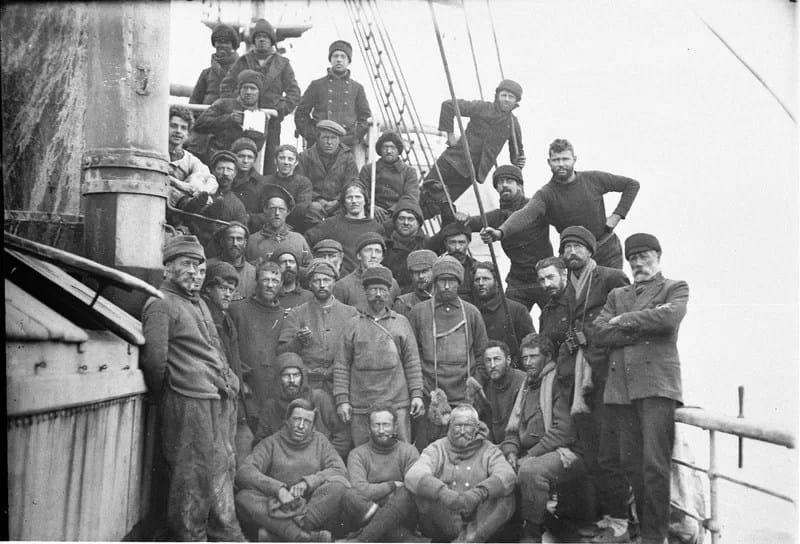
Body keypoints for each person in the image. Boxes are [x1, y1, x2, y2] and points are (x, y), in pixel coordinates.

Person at [140, 235, 244, 540]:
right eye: (186, 264)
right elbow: (155, 361)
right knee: (191, 476)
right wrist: (170, 395)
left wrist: (230, 381)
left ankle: (227, 534)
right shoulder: (161, 304)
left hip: (215, 397)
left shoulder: (195, 303)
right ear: (168, 268)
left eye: (199, 266)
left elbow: (214, 348)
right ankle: (191, 537)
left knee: (221, 469)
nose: (194, 272)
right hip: (188, 400)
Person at [592, 233, 689, 544]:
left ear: (658, 256)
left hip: (656, 387)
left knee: (655, 465)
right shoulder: (617, 295)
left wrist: (625, 320)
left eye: (644, 256)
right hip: (621, 391)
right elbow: (599, 334)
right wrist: (639, 327)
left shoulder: (674, 287)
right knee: (631, 465)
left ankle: (654, 536)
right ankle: (645, 530)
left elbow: (669, 318)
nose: (637, 263)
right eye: (632, 258)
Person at [552, 226, 632, 538]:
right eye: (566, 247)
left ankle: (621, 518)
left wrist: (592, 336)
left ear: (590, 250)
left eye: (577, 246)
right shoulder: (567, 285)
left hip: (606, 375)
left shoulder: (611, 278)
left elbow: (625, 322)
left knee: (610, 451)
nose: (571, 252)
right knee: (592, 448)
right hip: (579, 379)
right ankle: (607, 513)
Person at [235, 398, 378, 542]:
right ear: (287, 420)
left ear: (313, 426)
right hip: (280, 506)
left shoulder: (320, 441)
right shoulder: (271, 443)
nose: (301, 426)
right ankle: (308, 537)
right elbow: (245, 471)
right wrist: (279, 490)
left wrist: (308, 483)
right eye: (297, 419)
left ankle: (282, 535)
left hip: (313, 508)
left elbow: (339, 470)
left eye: (307, 422)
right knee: (243, 497)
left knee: (338, 485)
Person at [485, 139, 640, 269]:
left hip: (606, 249)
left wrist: (617, 216)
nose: (561, 164)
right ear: (549, 162)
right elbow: (526, 213)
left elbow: (631, 185)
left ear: (574, 159)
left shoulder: (593, 179)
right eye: (556, 160)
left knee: (614, 297)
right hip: (574, 255)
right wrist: (500, 232)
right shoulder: (546, 194)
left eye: (565, 159)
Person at [501, 333, 585, 543]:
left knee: (531, 471)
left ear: (547, 357)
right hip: (529, 450)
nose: (528, 362)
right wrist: (511, 451)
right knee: (492, 459)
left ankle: (532, 534)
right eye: (525, 357)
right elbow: (512, 429)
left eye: (533, 357)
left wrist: (530, 455)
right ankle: (508, 526)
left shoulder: (559, 381)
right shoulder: (526, 385)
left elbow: (563, 431)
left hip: (565, 452)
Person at [333, 265, 424, 446]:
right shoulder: (352, 325)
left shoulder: (401, 323)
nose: (378, 295)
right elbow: (342, 365)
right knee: (363, 450)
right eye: (373, 290)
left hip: (397, 401)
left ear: (389, 292)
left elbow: (412, 362)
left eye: (382, 290)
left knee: (403, 449)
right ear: (365, 292)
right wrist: (342, 400)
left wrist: (416, 395)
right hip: (361, 404)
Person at [407, 256, 489, 450]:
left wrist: (474, 385)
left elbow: (482, 353)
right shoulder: (419, 312)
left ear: (459, 283)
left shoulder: (471, 312)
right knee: (429, 448)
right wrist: (422, 388)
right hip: (431, 393)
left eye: (451, 281)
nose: (445, 286)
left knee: (466, 446)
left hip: (465, 394)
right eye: (441, 280)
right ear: (434, 282)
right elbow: (411, 355)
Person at [405, 404, 516, 542]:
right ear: (450, 426)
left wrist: (479, 493)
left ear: (476, 427)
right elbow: (413, 474)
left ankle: (470, 539)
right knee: (420, 489)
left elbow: (507, 474)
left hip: (480, 517)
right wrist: (443, 493)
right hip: (446, 517)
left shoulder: (489, 449)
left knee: (506, 495)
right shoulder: (437, 447)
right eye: (457, 425)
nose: (462, 431)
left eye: (468, 426)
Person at [419, 80, 525, 219]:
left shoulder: (512, 124)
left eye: (511, 97)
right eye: (504, 95)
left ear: (516, 102)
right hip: (451, 161)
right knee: (424, 194)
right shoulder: (482, 107)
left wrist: (519, 161)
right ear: (497, 96)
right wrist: (450, 136)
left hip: (470, 174)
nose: (506, 99)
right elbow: (448, 105)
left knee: (437, 207)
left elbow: (516, 154)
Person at [220, 18, 301, 174]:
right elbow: (226, 86)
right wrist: (236, 106)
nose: (262, 40)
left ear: (271, 40)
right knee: (241, 154)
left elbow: (294, 92)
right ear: (254, 40)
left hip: (271, 119)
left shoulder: (283, 63)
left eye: (266, 37)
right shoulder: (243, 61)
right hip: (244, 118)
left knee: (270, 157)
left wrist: (280, 110)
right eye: (258, 37)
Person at [469, 164, 552, 310]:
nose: (504, 185)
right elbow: (468, 224)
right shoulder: (497, 216)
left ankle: (572, 334)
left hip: (544, 276)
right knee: (509, 320)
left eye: (509, 181)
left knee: (562, 320)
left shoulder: (536, 207)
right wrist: (454, 212)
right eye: (500, 182)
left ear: (519, 185)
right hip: (518, 281)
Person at [200, 261, 255, 465]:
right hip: (214, 397)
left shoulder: (226, 319)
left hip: (232, 395)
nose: (227, 294)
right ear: (208, 289)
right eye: (222, 288)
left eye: (231, 290)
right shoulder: (204, 318)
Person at [277, 259, 358, 397]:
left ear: (334, 282)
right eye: (316, 281)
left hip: (340, 385)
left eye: (326, 280)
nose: (322, 285)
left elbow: (357, 352)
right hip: (306, 387)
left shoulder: (351, 314)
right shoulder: (297, 313)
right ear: (309, 284)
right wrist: (298, 341)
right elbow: (282, 352)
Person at [346, 403, 421, 542]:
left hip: (402, 515)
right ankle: (406, 540)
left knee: (406, 493)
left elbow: (412, 488)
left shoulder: (409, 451)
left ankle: (364, 539)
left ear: (395, 427)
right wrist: (392, 485)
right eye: (376, 425)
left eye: (386, 425)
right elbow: (360, 489)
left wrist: (379, 494)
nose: (381, 430)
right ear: (369, 428)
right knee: (350, 495)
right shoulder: (357, 454)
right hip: (367, 512)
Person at [254, 352, 351, 458]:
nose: (292, 380)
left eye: (296, 375)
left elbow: (342, 435)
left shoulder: (319, 398)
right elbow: (261, 442)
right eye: (286, 375)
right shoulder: (271, 406)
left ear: (303, 377)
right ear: (278, 378)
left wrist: (325, 459)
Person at [229, 261, 286, 410]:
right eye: (265, 280)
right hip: (244, 388)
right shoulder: (237, 310)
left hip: (272, 390)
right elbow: (227, 350)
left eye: (275, 281)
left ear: (281, 284)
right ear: (256, 282)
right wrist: (240, 381)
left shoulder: (283, 315)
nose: (270, 285)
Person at [294, 40, 371, 150]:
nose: (339, 59)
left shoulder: (357, 88)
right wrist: (313, 135)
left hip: (346, 144)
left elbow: (365, 117)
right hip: (319, 143)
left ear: (349, 61)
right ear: (330, 59)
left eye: (343, 56)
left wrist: (353, 137)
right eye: (335, 56)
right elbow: (301, 113)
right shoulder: (317, 85)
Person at [305, 182, 385, 276]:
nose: (354, 201)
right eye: (349, 197)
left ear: (365, 200)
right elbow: (307, 240)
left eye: (358, 197)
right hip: (340, 279)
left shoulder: (376, 227)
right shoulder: (330, 224)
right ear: (343, 202)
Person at [192, 70, 268, 166]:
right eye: (245, 88)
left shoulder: (260, 117)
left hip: (240, 162)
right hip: (214, 158)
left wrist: (247, 129)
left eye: (253, 88)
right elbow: (199, 125)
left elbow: (258, 146)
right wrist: (228, 119)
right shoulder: (223, 104)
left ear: (259, 92)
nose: (248, 92)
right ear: (239, 90)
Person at [296, 120, 360, 227]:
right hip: (313, 204)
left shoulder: (348, 158)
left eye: (333, 138)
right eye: (325, 138)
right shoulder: (305, 157)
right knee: (311, 213)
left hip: (340, 205)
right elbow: (300, 184)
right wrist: (318, 200)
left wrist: (337, 201)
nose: (329, 142)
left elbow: (352, 184)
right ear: (318, 138)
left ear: (339, 140)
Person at [471, 261, 535, 364]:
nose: (481, 283)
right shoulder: (471, 312)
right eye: (477, 280)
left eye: (486, 279)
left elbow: (530, 346)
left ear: (496, 282)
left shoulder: (517, 310)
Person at [468, 340, 526, 444]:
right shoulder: (487, 388)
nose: (492, 365)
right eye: (488, 361)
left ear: (508, 360)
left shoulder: (523, 381)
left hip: (519, 445)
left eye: (497, 359)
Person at [358, 131, 420, 223]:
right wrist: (372, 206)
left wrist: (393, 211)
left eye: (392, 147)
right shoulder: (368, 169)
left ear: (398, 150)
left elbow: (410, 197)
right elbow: (361, 192)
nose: (389, 151)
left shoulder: (409, 172)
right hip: (371, 214)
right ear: (380, 149)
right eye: (385, 147)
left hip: (399, 215)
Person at [165, 105, 218, 212]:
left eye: (183, 128)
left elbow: (212, 180)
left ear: (188, 134)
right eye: (173, 126)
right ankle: (190, 204)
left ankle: (205, 208)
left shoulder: (190, 159)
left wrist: (203, 192)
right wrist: (180, 184)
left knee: (197, 177)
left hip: (183, 210)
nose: (178, 131)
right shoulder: (157, 153)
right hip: (161, 202)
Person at [331, 231, 400, 309]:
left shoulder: (392, 284)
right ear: (359, 255)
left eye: (378, 251)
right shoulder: (343, 286)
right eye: (368, 251)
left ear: (382, 257)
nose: (373, 256)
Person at [245, 184, 310, 265]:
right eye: (272, 209)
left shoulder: (299, 240)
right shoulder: (253, 241)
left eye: (281, 209)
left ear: (288, 212)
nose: (277, 213)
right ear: (265, 210)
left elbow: (308, 269)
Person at [257, 144, 314, 233]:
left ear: (296, 162)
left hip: (293, 228)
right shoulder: (264, 181)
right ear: (275, 160)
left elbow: (301, 209)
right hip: (267, 226)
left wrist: (282, 224)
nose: (286, 162)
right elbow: (259, 207)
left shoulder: (303, 183)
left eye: (290, 159)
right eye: (282, 158)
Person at [381, 195, 428, 293]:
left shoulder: (426, 243)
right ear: (395, 221)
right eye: (401, 218)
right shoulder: (384, 243)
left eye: (410, 219)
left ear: (418, 222)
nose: (405, 223)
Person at [190, 24, 240, 105]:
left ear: (233, 45)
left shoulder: (243, 72)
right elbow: (194, 102)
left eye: (227, 42)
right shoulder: (206, 74)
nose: (222, 45)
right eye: (219, 42)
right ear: (214, 44)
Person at [535, 256, 572, 365]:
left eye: (551, 277)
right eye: (542, 280)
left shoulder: (580, 301)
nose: (546, 284)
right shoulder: (547, 311)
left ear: (564, 275)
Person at [207, 221, 257, 301]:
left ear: (245, 243)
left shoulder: (253, 273)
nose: (235, 243)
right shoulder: (208, 266)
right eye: (230, 239)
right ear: (222, 242)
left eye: (239, 239)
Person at [437, 221, 478, 301]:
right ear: (445, 243)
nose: (457, 247)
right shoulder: (437, 268)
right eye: (452, 243)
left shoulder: (476, 269)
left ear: (468, 243)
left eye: (461, 242)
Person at [392, 249, 436, 318]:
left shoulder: (443, 299)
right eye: (416, 272)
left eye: (425, 271)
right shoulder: (402, 304)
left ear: (434, 271)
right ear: (411, 275)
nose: (420, 276)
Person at [230, 137, 267, 218]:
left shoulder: (261, 184)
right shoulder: (224, 178)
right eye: (241, 156)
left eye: (250, 157)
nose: (245, 161)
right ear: (233, 157)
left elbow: (267, 215)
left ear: (254, 160)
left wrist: (249, 218)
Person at [269, 242, 312, 311]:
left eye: (291, 262)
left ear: (297, 267)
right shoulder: (269, 296)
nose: (288, 265)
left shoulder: (309, 297)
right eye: (283, 262)